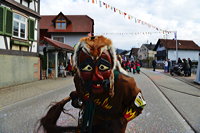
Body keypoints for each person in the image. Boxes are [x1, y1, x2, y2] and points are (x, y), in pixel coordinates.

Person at [39, 35, 146, 133]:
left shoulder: (124, 84)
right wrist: (79, 98)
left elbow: (139, 104)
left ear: (112, 66)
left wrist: (121, 120)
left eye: (103, 67)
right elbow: (85, 96)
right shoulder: (79, 80)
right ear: (78, 68)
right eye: (87, 68)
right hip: (90, 125)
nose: (96, 76)